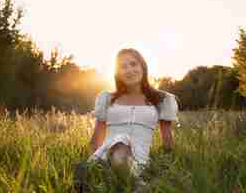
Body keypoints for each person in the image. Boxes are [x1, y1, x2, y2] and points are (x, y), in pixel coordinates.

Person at [74, 48, 179, 192]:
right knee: (119, 144)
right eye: (123, 67)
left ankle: (127, 181)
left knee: (122, 159)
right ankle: (136, 185)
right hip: (106, 154)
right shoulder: (107, 98)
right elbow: (97, 137)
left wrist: (165, 167)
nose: (129, 70)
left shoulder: (161, 99)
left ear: (143, 67)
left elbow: (167, 140)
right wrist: (89, 161)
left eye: (133, 64)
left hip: (139, 159)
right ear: (118, 73)